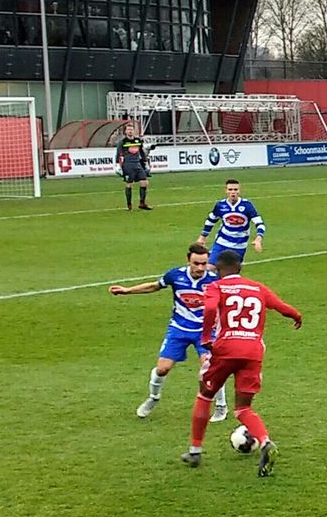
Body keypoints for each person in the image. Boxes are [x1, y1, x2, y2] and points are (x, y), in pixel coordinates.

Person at [181, 250, 302, 476]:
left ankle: (195, 451)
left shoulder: (215, 287)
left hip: (226, 348)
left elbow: (208, 308)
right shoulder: (257, 287)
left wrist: (206, 337)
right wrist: (296, 316)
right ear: (240, 267)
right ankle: (265, 442)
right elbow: (280, 305)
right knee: (243, 407)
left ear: (217, 269)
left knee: (205, 395)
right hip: (253, 351)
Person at [108, 244, 227, 422]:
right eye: (196, 263)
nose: (200, 268)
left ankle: (221, 406)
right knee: (162, 369)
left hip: (206, 331)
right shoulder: (175, 275)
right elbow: (155, 286)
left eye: (204, 263)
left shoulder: (215, 280)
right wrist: (128, 290)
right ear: (188, 261)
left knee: (209, 368)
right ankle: (153, 398)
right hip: (179, 329)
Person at [197, 179, 265, 268]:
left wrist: (258, 239)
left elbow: (260, 223)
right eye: (230, 189)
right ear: (226, 191)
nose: (233, 192)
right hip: (221, 242)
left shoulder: (247, 205)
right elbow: (211, 220)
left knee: (230, 272)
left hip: (239, 246)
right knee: (210, 268)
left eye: (235, 190)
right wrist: (202, 238)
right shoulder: (220, 205)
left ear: (239, 191)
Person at [115, 124, 152, 211]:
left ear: (134, 131)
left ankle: (142, 203)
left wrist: (145, 162)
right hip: (128, 165)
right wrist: (118, 165)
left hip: (137, 164)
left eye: (131, 129)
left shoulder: (138, 140)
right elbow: (119, 154)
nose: (130, 131)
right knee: (129, 184)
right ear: (126, 131)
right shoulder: (123, 142)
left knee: (144, 182)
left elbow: (142, 153)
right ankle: (129, 204)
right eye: (128, 130)